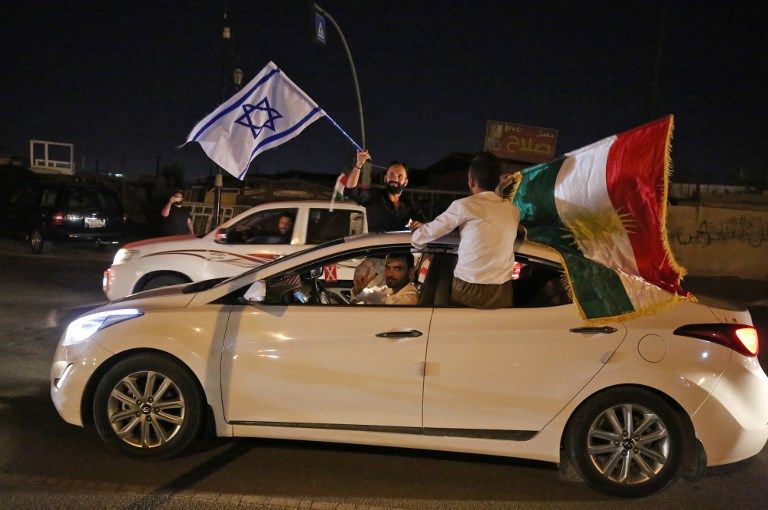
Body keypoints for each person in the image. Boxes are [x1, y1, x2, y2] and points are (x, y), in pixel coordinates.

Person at [411, 152, 520, 309]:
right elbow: (493, 211)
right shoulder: (513, 211)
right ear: (497, 182)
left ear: (471, 181)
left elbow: (430, 231)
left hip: (469, 288)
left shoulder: (464, 206)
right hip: (502, 290)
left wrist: (416, 237)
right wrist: (500, 188)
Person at [343, 150, 427, 232]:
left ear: (405, 182)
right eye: (391, 174)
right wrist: (358, 165)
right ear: (385, 178)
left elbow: (425, 224)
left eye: (400, 176)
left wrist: (421, 225)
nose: (395, 178)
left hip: (399, 244)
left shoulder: (409, 202)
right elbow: (351, 190)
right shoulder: (374, 196)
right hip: (377, 245)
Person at [353, 252, 418, 305]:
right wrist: (358, 288)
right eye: (387, 268)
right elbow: (364, 295)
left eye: (397, 269)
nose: (390, 274)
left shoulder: (408, 300)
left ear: (410, 272)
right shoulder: (390, 289)